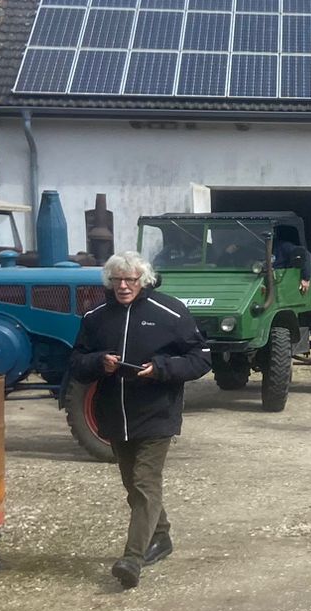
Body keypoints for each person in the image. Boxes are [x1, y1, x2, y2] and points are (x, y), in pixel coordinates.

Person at [68, 252, 212, 590]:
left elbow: (201, 358)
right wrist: (98, 362)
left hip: (156, 414)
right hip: (115, 416)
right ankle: (160, 536)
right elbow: (75, 362)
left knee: (146, 483)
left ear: (143, 280)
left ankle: (133, 558)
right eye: (117, 280)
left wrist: (161, 368)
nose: (123, 286)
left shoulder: (170, 311)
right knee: (133, 486)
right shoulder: (95, 317)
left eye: (130, 279)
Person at [271, 227, 311, 295]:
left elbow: (305, 254)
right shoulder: (258, 246)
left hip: (283, 282)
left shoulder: (283, 246)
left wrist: (305, 278)